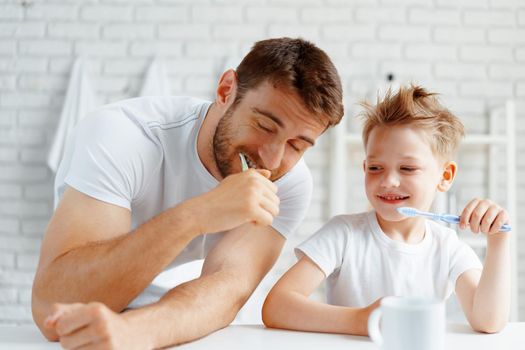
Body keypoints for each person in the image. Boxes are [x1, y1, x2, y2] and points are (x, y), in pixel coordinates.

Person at [31, 37, 344, 349]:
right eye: (264, 125)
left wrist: (136, 331)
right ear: (226, 91)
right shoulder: (122, 136)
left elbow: (228, 288)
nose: (273, 160)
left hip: (174, 319)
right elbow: (51, 304)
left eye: (297, 145)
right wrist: (197, 214)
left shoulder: (289, 182)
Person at [262, 85, 511, 335]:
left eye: (407, 168)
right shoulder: (344, 234)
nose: (388, 181)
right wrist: (361, 321)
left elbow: (488, 322)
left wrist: (498, 241)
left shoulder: (447, 247)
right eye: (375, 168)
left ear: (445, 176)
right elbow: (277, 307)